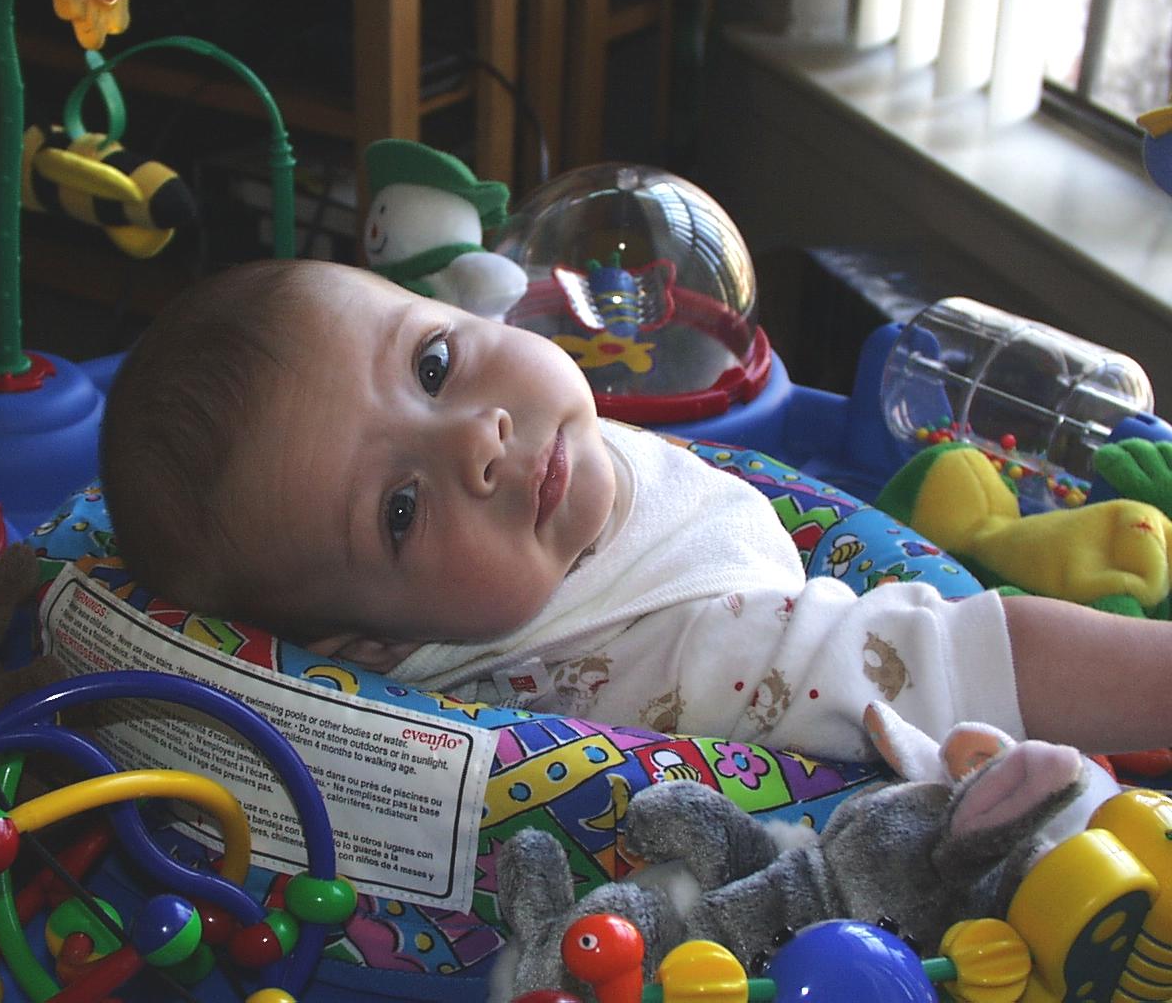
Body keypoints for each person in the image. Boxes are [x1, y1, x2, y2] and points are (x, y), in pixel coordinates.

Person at [101, 259, 1172, 762]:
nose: (477, 437)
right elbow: (965, 663)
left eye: (431, 363)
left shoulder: (538, 474)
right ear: (374, 645)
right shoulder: (665, 660)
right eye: (399, 511)